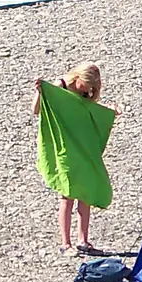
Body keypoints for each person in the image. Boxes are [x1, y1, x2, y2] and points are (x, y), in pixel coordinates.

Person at [33, 62, 114, 254]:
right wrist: (40, 92)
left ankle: (83, 240)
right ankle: (65, 243)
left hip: (83, 147)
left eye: (91, 87)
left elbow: (88, 113)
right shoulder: (60, 87)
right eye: (85, 84)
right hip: (65, 147)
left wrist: (109, 112)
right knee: (67, 194)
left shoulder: (87, 94)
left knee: (84, 193)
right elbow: (36, 110)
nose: (87, 89)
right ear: (77, 77)